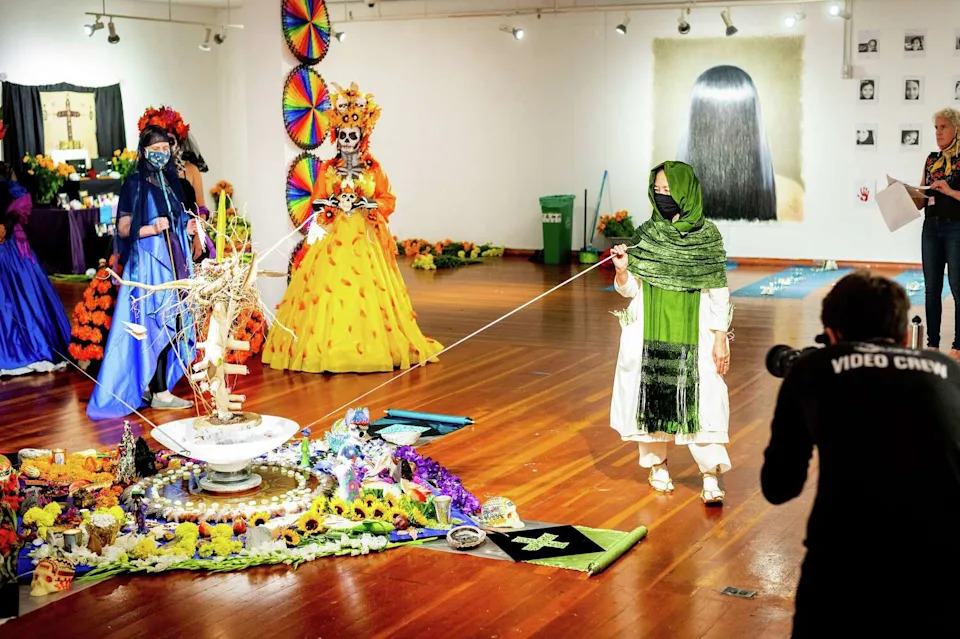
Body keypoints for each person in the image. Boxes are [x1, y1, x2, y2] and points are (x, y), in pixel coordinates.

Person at [761, 270, 960, 636]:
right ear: (904, 336)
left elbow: (779, 486)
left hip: (841, 573)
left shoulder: (813, 369)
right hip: (942, 574)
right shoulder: (949, 371)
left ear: (833, 334)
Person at [263, 82, 443, 374]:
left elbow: (388, 199)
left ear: (362, 138)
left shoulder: (374, 168)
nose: (347, 141)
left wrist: (368, 205)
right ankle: (325, 348)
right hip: (332, 240)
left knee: (369, 296)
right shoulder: (328, 169)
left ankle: (372, 345)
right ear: (336, 137)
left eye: (353, 136)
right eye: (343, 136)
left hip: (365, 240)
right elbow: (315, 200)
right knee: (325, 293)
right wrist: (330, 204)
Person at [609, 161, 731, 505]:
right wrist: (622, 272)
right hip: (650, 331)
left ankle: (710, 472)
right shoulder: (647, 234)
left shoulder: (707, 236)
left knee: (704, 397)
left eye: (670, 191)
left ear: (686, 192)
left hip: (696, 333)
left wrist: (721, 336)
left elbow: (718, 290)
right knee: (649, 395)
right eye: (658, 191)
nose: (664, 197)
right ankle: (657, 464)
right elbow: (631, 290)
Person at [87, 125, 196, 419]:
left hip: (172, 261)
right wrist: (151, 228)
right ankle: (158, 392)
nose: (161, 154)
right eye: (155, 149)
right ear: (143, 151)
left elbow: (174, 220)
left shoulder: (169, 183)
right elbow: (123, 227)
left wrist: (185, 227)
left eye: (165, 148)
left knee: (170, 320)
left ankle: (154, 386)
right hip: (147, 267)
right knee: (153, 322)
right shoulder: (134, 183)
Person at [0, 162, 71, 376]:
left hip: (8, 247)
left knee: (19, 297)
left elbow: (19, 207)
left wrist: (5, 225)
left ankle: (28, 346)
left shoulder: (6, 180)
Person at [917, 108, 960, 359]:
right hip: (930, 227)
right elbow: (923, 198)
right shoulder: (931, 159)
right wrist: (911, 196)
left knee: (957, 287)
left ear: (956, 129)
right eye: (936, 127)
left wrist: (949, 191)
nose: (938, 132)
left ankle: (958, 345)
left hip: (956, 227)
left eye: (943, 127)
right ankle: (933, 344)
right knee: (931, 288)